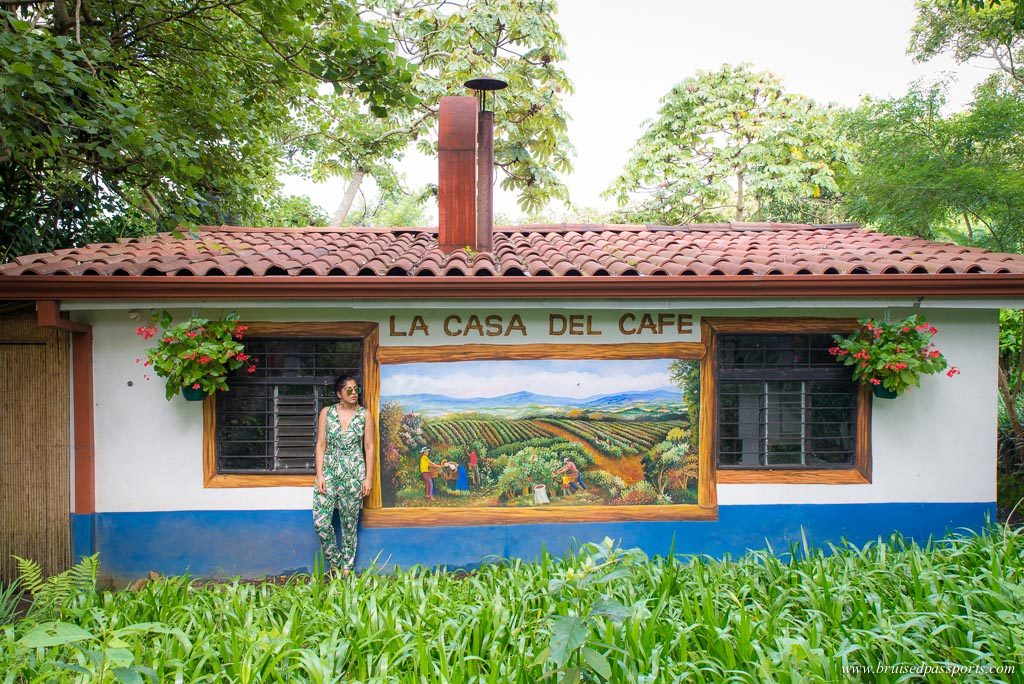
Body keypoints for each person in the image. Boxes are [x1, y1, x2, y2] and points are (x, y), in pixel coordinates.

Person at [313, 374, 374, 578]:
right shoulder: (326, 413)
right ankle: (336, 563)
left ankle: (346, 569)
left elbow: (369, 447)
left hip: (354, 471)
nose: (354, 392)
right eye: (349, 389)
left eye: (356, 388)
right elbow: (321, 444)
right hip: (329, 470)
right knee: (321, 522)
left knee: (349, 523)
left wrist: (368, 478)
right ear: (339, 393)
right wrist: (319, 474)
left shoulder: (364, 414)